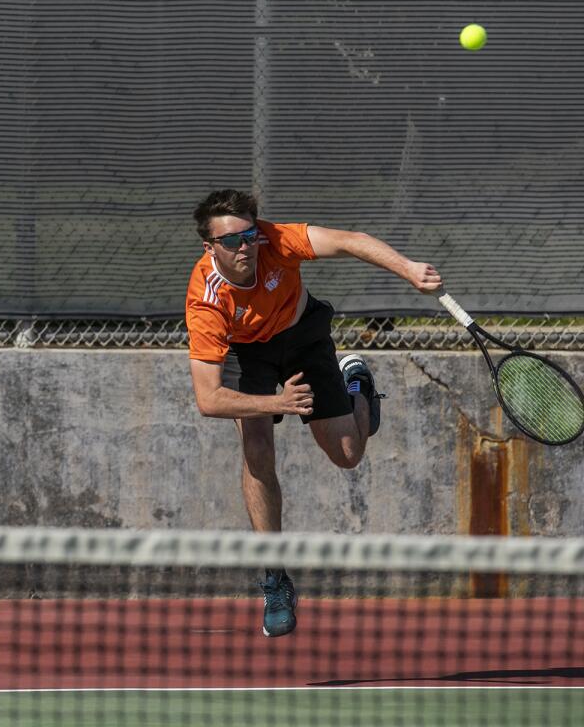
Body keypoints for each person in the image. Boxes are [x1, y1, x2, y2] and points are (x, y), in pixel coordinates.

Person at [184, 189, 441, 638]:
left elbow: (348, 240)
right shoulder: (206, 301)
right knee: (257, 445)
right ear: (210, 247)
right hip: (248, 354)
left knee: (347, 454)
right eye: (230, 241)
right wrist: (275, 404)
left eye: (248, 235)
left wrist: (409, 270)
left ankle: (356, 383)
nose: (244, 246)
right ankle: (274, 578)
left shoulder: (275, 240)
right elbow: (209, 399)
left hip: (303, 335)